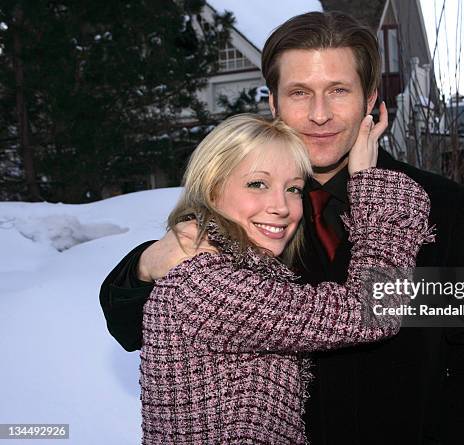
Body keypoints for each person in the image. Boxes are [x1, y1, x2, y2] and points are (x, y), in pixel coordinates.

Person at [100, 11, 464, 444]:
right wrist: (147, 264)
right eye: (300, 93)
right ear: (274, 103)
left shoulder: (434, 203)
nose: (320, 115)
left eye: (338, 90)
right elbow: (133, 328)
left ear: (370, 99)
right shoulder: (243, 208)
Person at [138, 113, 432, 444]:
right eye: (257, 184)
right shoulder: (207, 286)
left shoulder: (229, 270)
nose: (282, 206)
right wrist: (375, 192)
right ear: (212, 187)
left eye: (293, 189)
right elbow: (372, 311)